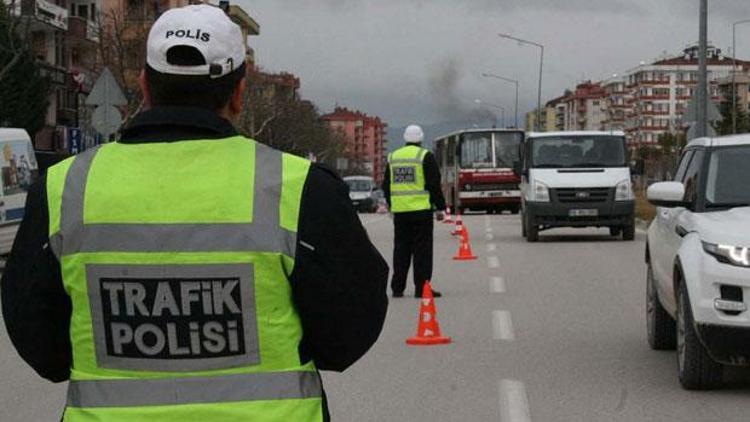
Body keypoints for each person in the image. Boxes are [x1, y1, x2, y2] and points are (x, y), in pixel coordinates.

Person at [0, 5, 388, 421]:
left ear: (145, 87)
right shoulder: (300, 187)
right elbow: (348, 331)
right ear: (239, 93)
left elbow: (39, 339)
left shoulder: (65, 188)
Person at [382, 125, 447, 298]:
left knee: (401, 250)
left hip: (400, 212)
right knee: (422, 251)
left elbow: (385, 185)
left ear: (405, 138)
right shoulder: (425, 156)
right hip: (421, 212)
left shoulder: (393, 157)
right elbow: (434, 184)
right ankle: (422, 288)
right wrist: (441, 207)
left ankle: (397, 287)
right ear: (420, 139)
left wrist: (391, 204)